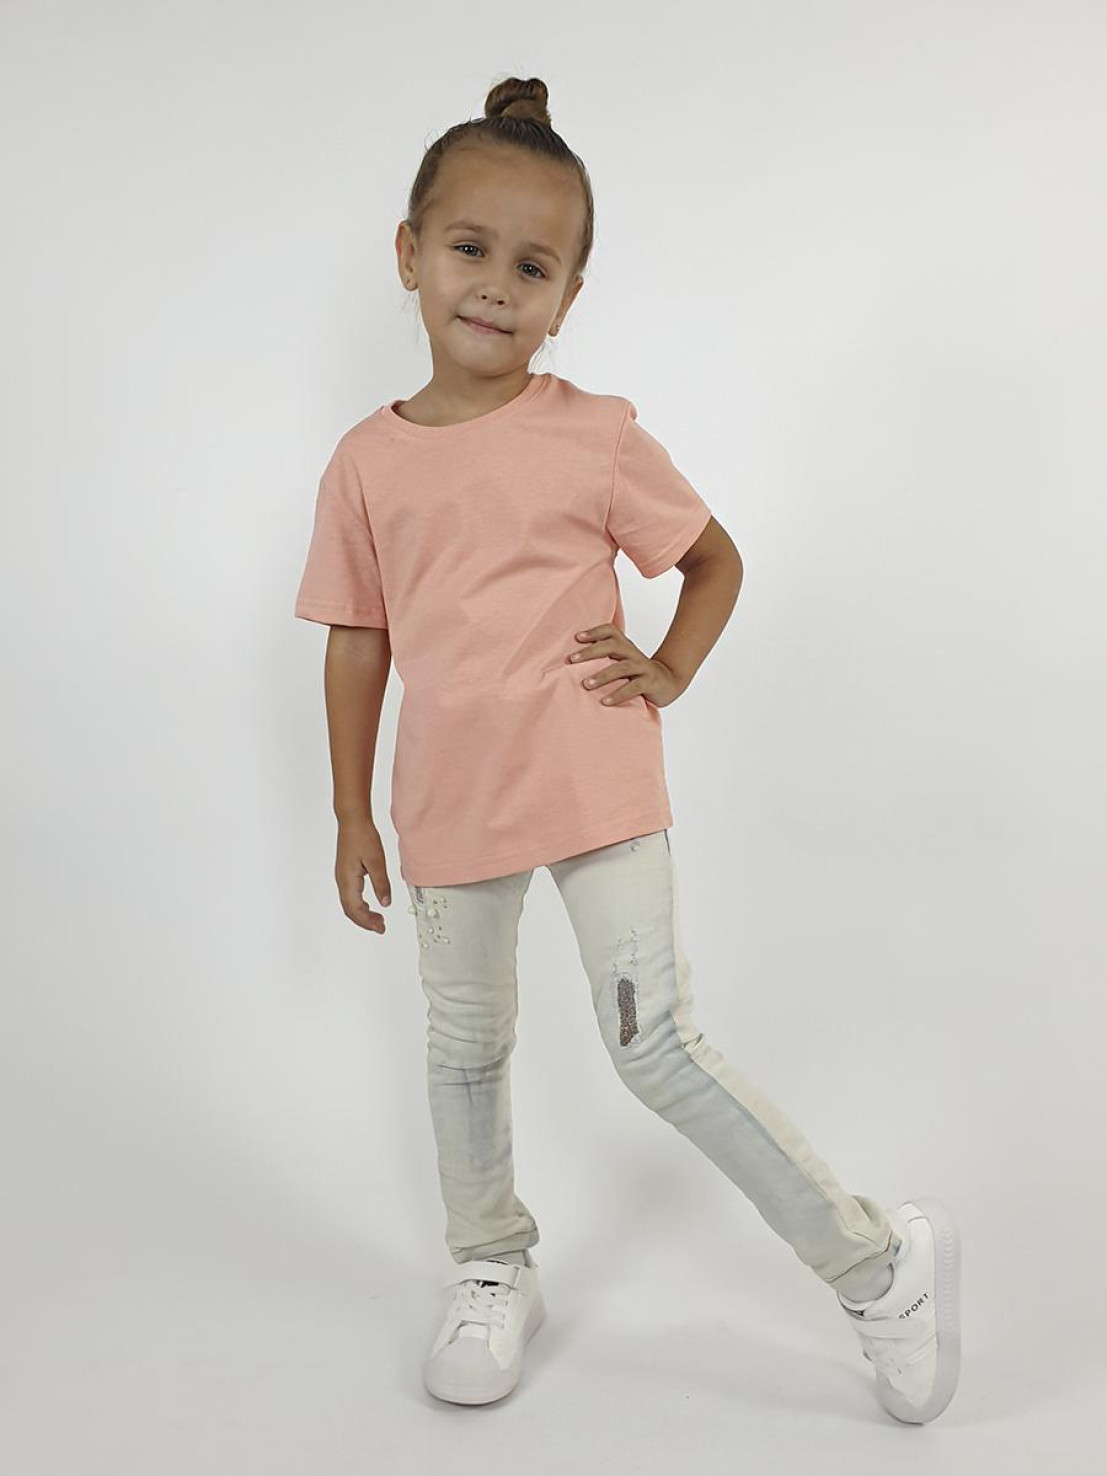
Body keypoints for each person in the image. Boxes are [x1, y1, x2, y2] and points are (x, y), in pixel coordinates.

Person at [293, 74, 961, 1422]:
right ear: (410, 253)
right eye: (469, 248)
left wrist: (669, 668)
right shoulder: (365, 462)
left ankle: (876, 1266)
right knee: (463, 1051)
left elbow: (712, 560)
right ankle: (491, 1263)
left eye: (532, 266)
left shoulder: (594, 435)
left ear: (570, 295)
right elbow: (358, 641)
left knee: (655, 1049)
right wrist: (351, 811)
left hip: (597, 785)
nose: (496, 285)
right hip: (449, 804)